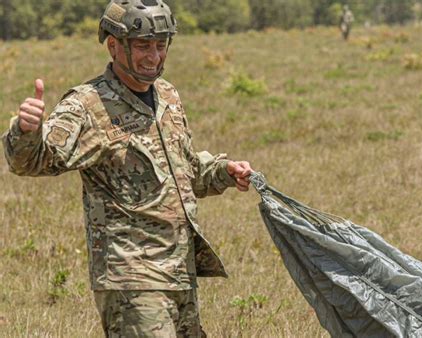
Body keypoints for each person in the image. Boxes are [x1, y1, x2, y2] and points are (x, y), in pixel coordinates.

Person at [2, 0, 253, 336]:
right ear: (114, 45)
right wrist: (27, 131)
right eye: (142, 46)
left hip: (179, 271)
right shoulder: (88, 105)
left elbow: (184, 171)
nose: (153, 57)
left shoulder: (167, 96)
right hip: (131, 278)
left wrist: (223, 171)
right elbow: (32, 161)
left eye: (160, 46)